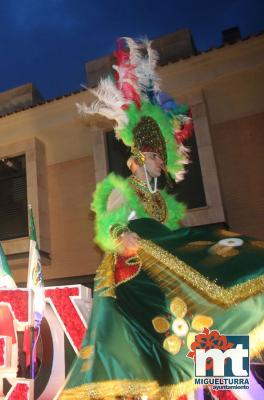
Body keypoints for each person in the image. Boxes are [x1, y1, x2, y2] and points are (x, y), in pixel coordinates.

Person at [59, 38, 264, 400]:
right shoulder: (122, 188)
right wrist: (123, 236)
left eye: (158, 156)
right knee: (172, 330)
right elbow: (110, 223)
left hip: (163, 267)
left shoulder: (165, 204)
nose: (158, 162)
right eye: (152, 156)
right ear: (136, 159)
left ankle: (230, 386)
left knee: (204, 308)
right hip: (136, 271)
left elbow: (176, 238)